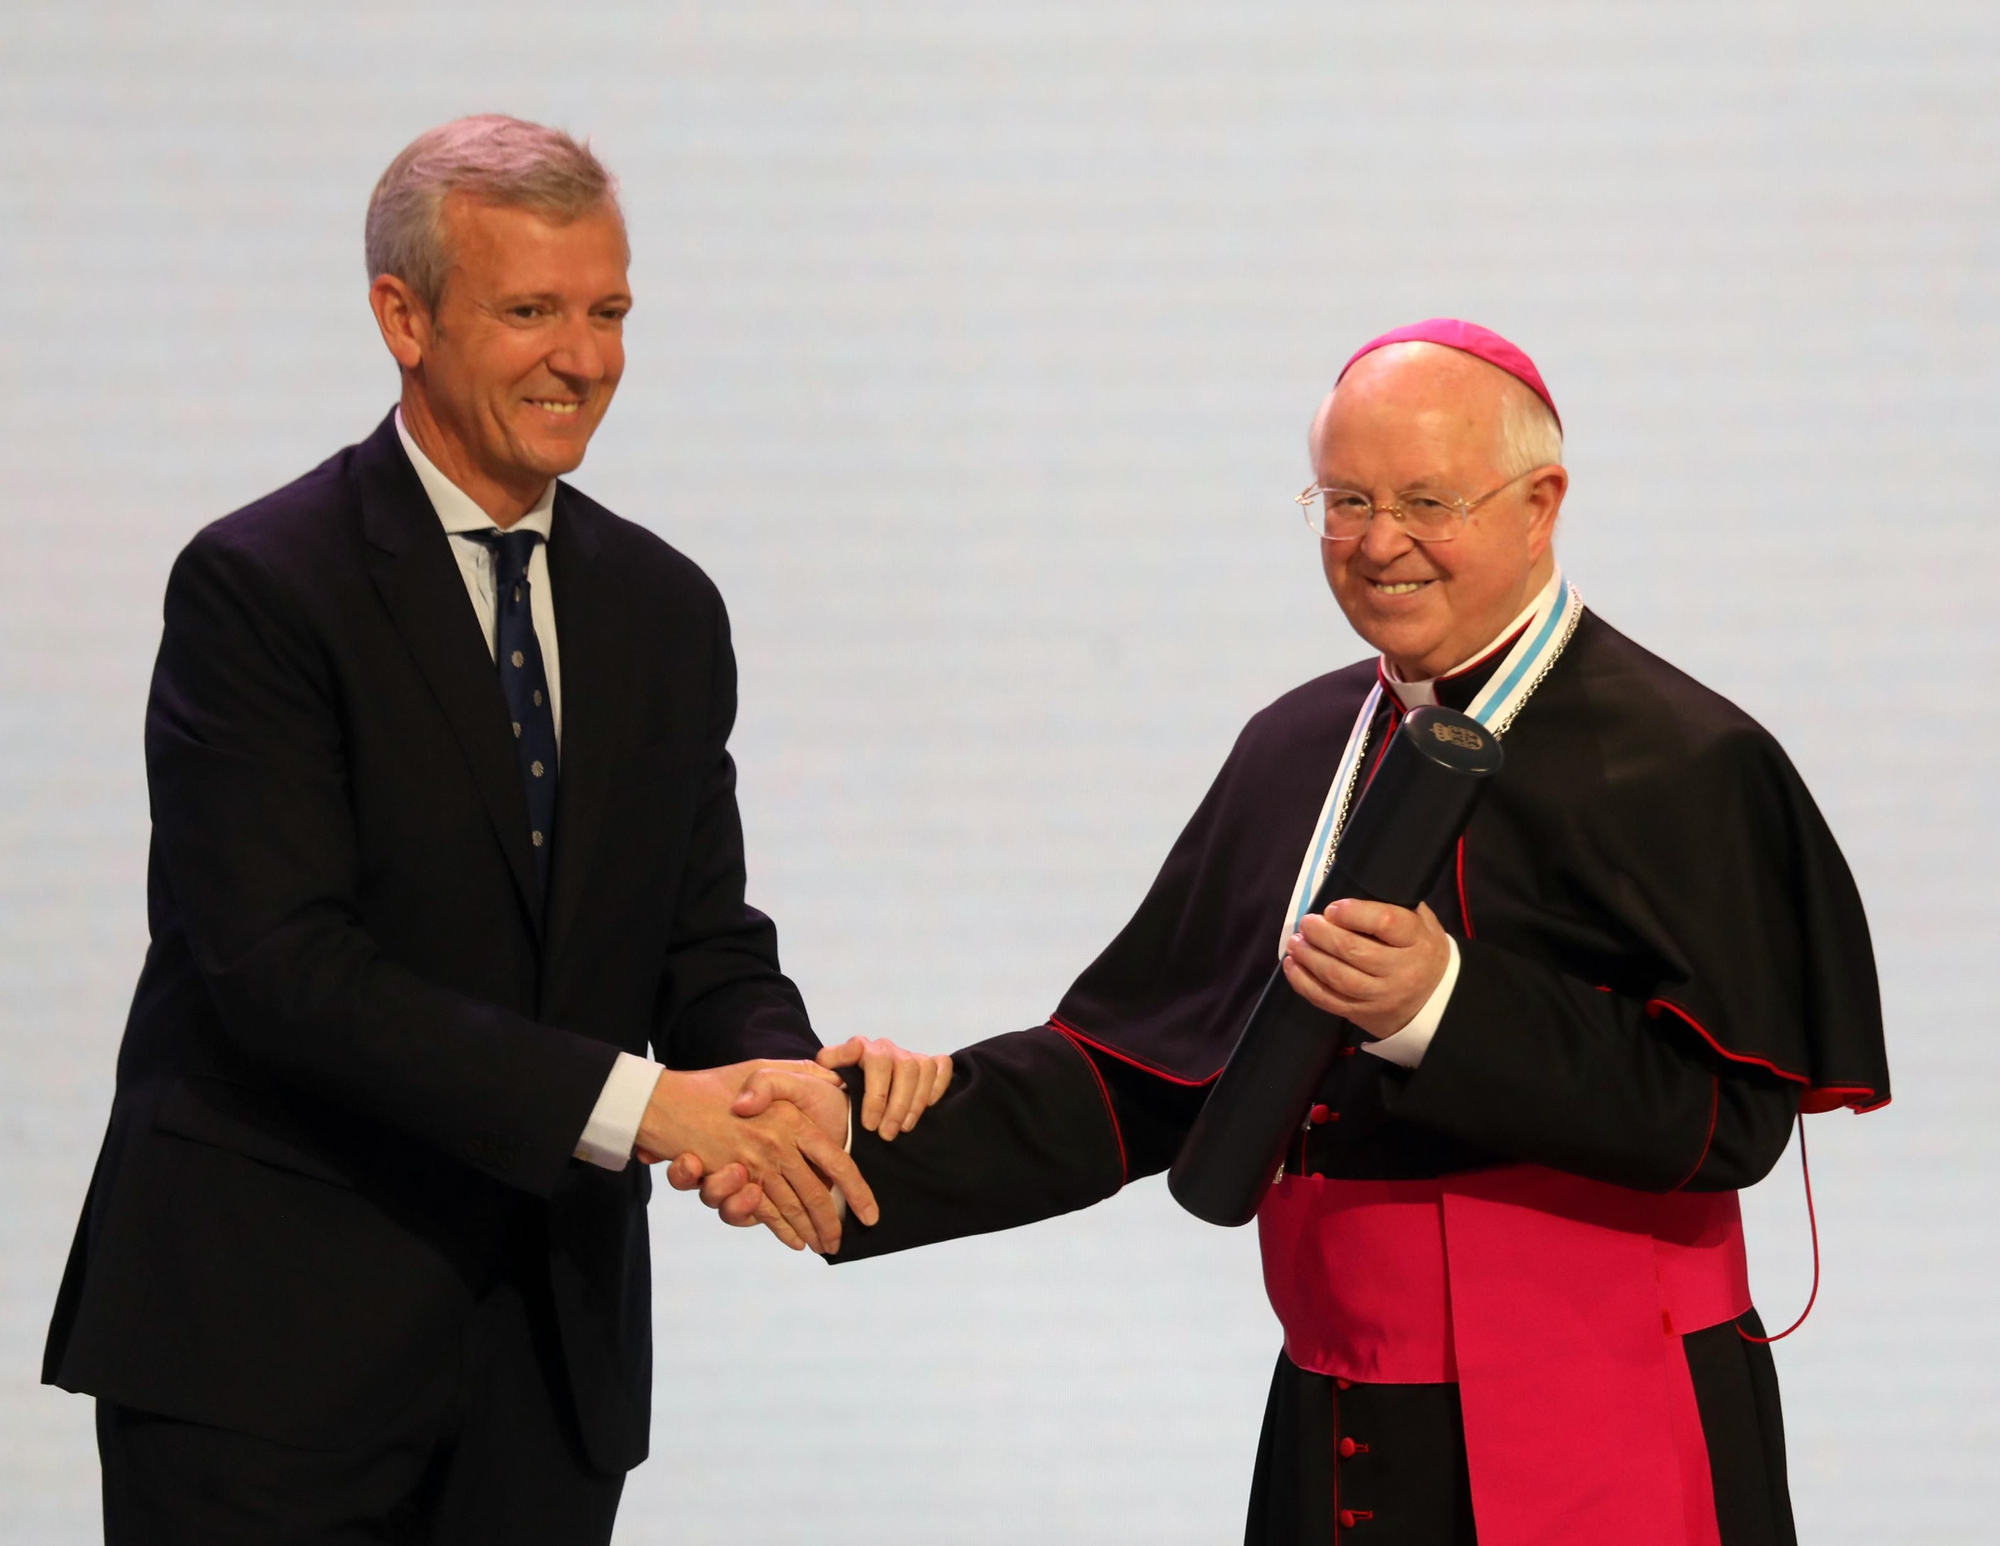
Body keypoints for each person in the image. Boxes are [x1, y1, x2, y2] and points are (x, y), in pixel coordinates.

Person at [688, 320, 1891, 1545]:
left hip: (1602, 1397)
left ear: (1540, 504)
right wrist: (851, 1136)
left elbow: (1729, 1119)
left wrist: (1441, 1009)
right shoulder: (1295, 745)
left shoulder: (1687, 759)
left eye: (1427, 500)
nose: (1378, 543)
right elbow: (1135, 1075)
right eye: (1344, 499)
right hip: (1345, 1409)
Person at [41, 114, 950, 1545]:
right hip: (264, 1361)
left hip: (547, 1365)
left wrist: (778, 1074)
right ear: (402, 318)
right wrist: (650, 1107)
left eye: (607, 312)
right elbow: (283, 971)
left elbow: (701, 935)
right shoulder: (261, 588)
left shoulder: (661, 608)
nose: (581, 358)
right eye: (530, 311)